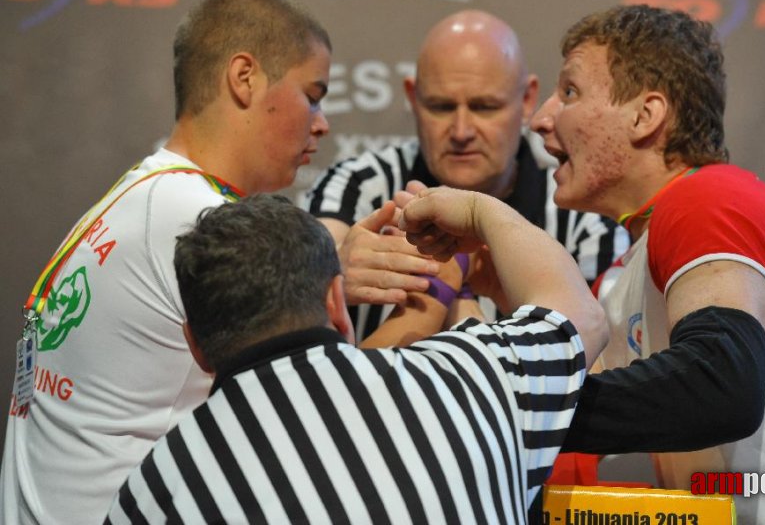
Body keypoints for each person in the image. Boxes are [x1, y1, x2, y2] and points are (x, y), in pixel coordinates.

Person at [529, 4, 765, 523]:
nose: (540, 118)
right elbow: (561, 452)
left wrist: (518, 404)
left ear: (645, 116)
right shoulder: (624, 274)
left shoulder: (709, 198)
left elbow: (721, 385)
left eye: (571, 92)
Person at [1, 0, 332, 524]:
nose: (321, 121)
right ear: (245, 78)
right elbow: (316, 413)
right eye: (312, 93)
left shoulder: (150, 191)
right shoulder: (198, 218)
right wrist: (432, 288)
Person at [105, 192, 607, 524]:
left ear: (196, 344)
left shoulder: (152, 494)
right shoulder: (467, 379)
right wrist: (479, 212)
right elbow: (581, 319)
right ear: (334, 303)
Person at [303, 9, 628, 339]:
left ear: (527, 99)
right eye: (441, 107)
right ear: (413, 99)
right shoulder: (357, 186)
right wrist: (327, 274)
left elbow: (591, 365)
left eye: (484, 107)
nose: (461, 131)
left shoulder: (586, 221)